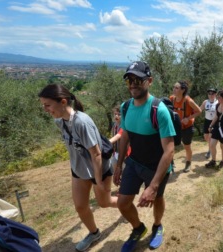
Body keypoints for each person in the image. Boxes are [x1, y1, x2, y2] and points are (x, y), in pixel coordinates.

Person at [38, 84, 118, 252]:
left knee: (105, 203)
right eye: (43, 105)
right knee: (80, 206)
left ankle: (128, 204)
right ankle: (94, 233)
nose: (45, 109)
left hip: (99, 170)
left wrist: (98, 181)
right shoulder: (59, 121)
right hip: (79, 170)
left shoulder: (82, 122)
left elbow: (96, 154)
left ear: (63, 102)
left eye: (47, 104)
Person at [114, 61, 175, 252]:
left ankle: (157, 226)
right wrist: (118, 165)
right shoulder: (125, 108)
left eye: (138, 80)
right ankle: (138, 228)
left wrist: (153, 186)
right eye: (129, 80)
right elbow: (125, 136)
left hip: (156, 166)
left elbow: (169, 151)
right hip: (134, 162)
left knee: (157, 198)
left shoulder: (159, 110)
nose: (133, 84)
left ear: (149, 81)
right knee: (123, 203)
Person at [170, 80, 202, 172]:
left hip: (187, 127)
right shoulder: (172, 99)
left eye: (176, 88)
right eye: (174, 87)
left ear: (183, 90)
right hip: (175, 126)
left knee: (187, 146)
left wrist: (188, 118)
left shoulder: (188, 100)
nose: (174, 89)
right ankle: (171, 163)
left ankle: (188, 163)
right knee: (170, 145)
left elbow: (199, 111)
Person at [199, 88, 218, 159]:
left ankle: (209, 150)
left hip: (214, 122)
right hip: (207, 121)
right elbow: (199, 109)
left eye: (212, 93)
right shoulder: (205, 102)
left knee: (210, 137)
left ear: (215, 94)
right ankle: (211, 146)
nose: (210, 95)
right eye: (209, 93)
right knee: (206, 137)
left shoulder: (218, 102)